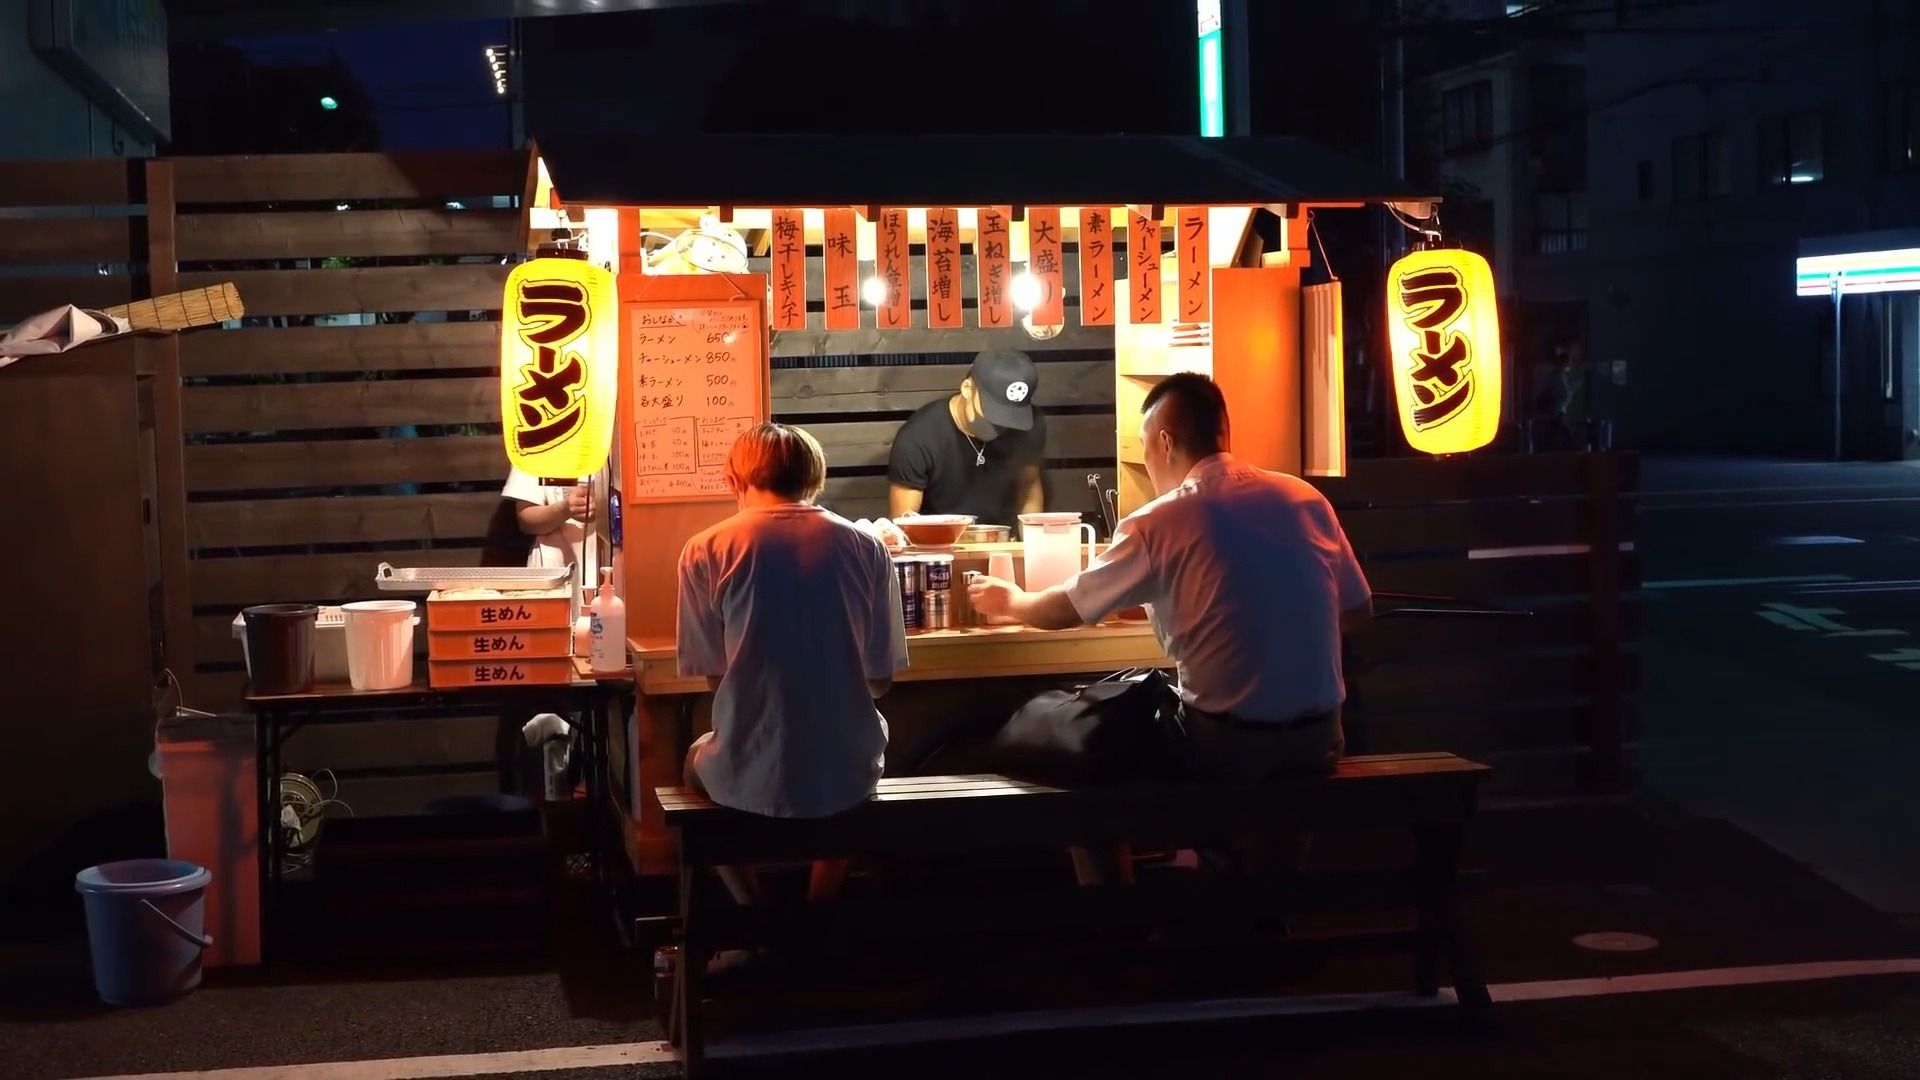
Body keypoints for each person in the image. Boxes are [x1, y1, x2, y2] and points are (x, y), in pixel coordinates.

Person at [969, 372, 1371, 782]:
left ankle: (1123, 846)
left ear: (1164, 442)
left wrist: (1010, 601)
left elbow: (1066, 609)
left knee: (1088, 748)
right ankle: (1251, 846)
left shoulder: (1159, 521)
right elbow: (1357, 609)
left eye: (1144, 449)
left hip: (1225, 747)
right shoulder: (1305, 498)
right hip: (1320, 742)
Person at [677, 422, 908, 903]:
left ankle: (752, 907)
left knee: (695, 763)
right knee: (851, 766)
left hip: (746, 770)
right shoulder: (866, 547)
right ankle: (816, 905)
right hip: (847, 769)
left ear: (733, 479)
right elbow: (880, 680)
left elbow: (714, 677)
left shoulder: (706, 549)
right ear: (815, 477)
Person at [887, 349, 1047, 524]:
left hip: (1002, 541)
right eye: (992, 412)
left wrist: (1030, 543)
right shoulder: (918, 439)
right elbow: (904, 526)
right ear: (967, 389)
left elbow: (1028, 487)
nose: (1002, 424)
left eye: (1012, 416)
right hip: (938, 543)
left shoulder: (1029, 425)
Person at [502, 468, 591, 570]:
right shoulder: (531, 453)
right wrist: (564, 510)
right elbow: (526, 521)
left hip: (606, 563)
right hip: (553, 567)